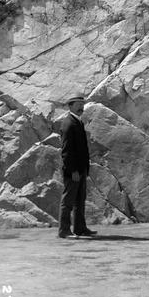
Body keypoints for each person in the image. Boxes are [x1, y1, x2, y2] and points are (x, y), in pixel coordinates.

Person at [57, 95, 97, 239]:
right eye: (78, 104)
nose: (82, 107)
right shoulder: (69, 123)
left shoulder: (77, 122)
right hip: (73, 170)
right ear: (71, 106)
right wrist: (73, 170)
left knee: (80, 200)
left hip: (80, 169)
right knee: (68, 201)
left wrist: (83, 169)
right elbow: (66, 151)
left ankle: (80, 228)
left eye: (82, 104)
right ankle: (64, 231)